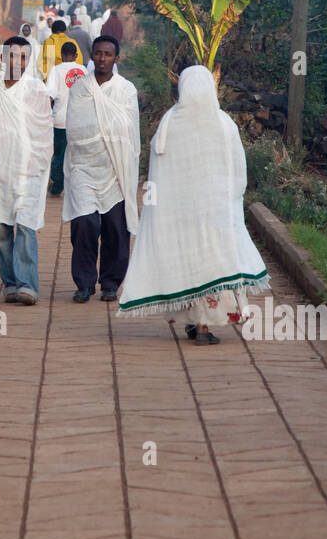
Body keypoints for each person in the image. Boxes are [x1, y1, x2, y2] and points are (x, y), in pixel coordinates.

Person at [117, 64, 269, 342]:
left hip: (179, 213)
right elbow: (238, 170)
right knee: (214, 262)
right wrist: (234, 200)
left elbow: (157, 170)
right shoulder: (224, 124)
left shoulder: (169, 123)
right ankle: (202, 328)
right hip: (216, 213)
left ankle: (193, 321)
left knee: (187, 261)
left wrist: (159, 208)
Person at [63, 36, 140, 302]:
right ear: (92, 56)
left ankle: (110, 282)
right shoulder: (80, 88)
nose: (102, 58)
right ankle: (84, 283)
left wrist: (106, 135)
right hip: (83, 165)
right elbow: (75, 127)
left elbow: (128, 130)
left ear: (116, 58)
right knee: (84, 224)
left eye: (108, 54)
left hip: (116, 166)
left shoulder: (125, 90)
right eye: (98, 54)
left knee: (115, 229)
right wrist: (99, 136)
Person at [0, 35, 52, 305]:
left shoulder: (37, 90)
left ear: (28, 60)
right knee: (2, 229)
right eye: (12, 55)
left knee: (26, 225)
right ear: (2, 57)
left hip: (27, 169)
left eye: (22, 57)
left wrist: (41, 166)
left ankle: (27, 284)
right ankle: (9, 282)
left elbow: (44, 132)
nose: (17, 61)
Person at [45, 41, 87, 195]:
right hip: (81, 120)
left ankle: (57, 185)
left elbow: (49, 95)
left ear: (61, 55)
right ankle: (76, 186)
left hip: (60, 120)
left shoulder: (56, 70)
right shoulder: (83, 70)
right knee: (77, 155)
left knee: (59, 154)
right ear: (76, 56)